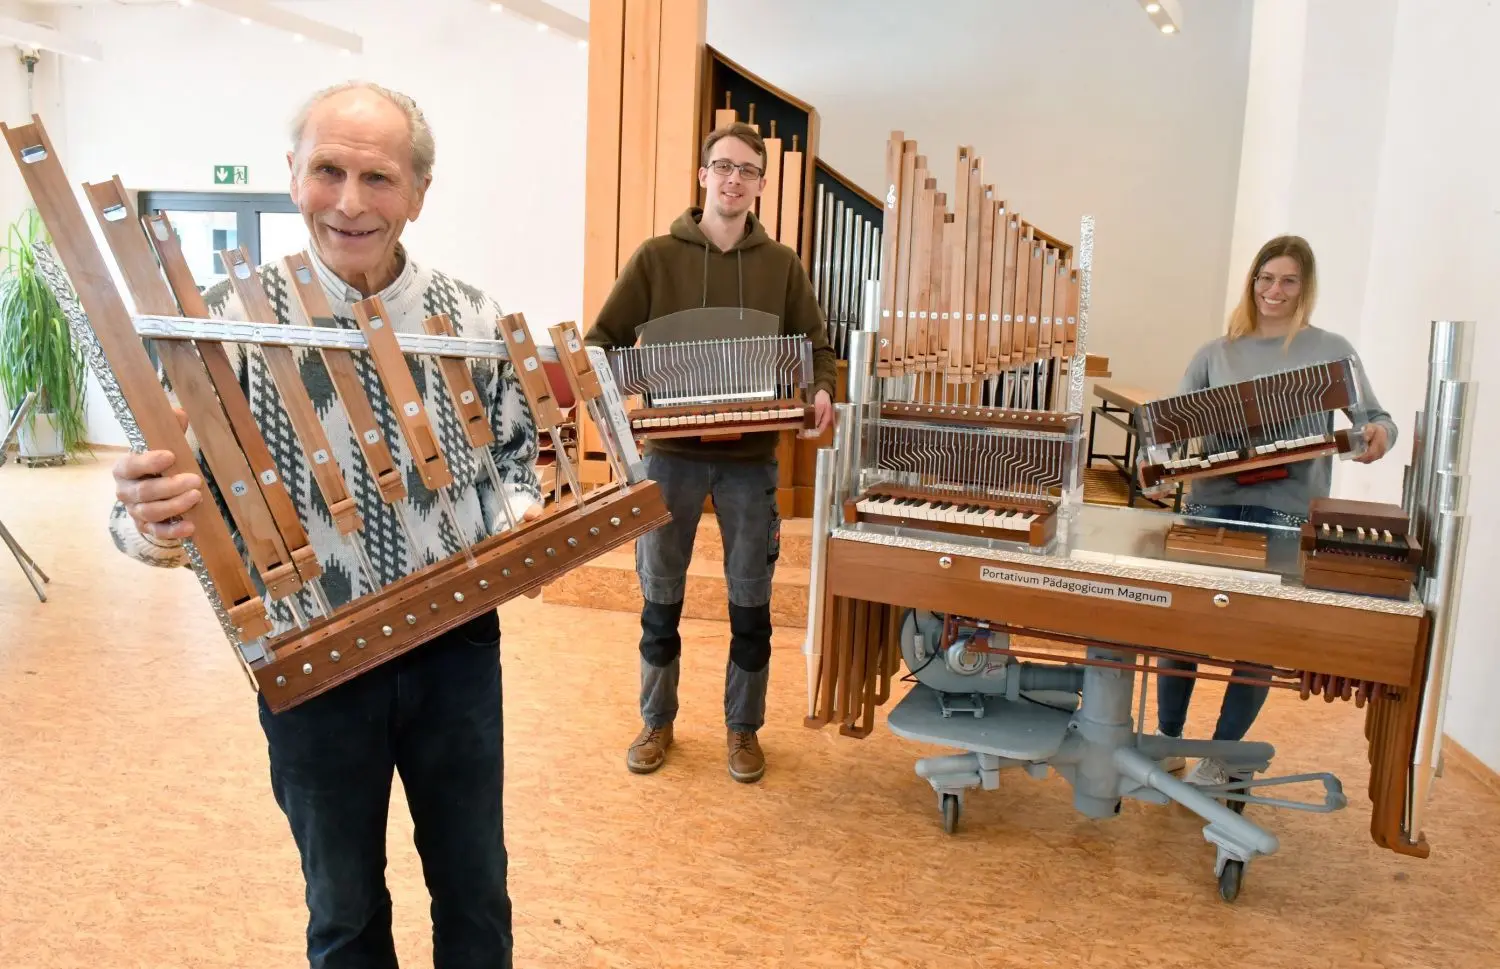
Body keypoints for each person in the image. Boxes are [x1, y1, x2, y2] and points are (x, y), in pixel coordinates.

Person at [109, 81, 542, 968]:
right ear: (292, 175)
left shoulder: (471, 319)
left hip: (454, 649)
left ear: (419, 192)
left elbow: (514, 465)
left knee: (475, 891)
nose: (349, 202)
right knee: (343, 909)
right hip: (310, 660)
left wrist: (521, 532)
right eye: (328, 171)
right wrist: (149, 517)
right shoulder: (216, 327)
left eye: (378, 177)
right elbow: (138, 519)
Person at [583, 121, 837, 783]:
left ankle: (743, 730)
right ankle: (657, 720)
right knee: (659, 600)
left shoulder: (782, 265)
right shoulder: (655, 257)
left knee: (751, 604)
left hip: (751, 460)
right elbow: (601, 342)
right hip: (670, 456)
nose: (734, 179)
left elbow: (818, 347)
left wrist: (821, 390)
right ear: (703, 176)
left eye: (747, 170)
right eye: (723, 166)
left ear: (761, 184)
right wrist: (615, 397)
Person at [1153, 234, 1398, 786]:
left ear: (1304, 288)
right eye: (1266, 278)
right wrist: (1159, 468)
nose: (1274, 290)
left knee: (1256, 640)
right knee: (1182, 629)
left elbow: (1376, 420)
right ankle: (1168, 742)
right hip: (1210, 508)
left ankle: (1223, 756)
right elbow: (1168, 437)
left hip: (1285, 512)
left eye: (1288, 280)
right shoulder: (1214, 353)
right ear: (1253, 282)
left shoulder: (1330, 349)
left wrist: (1378, 436)